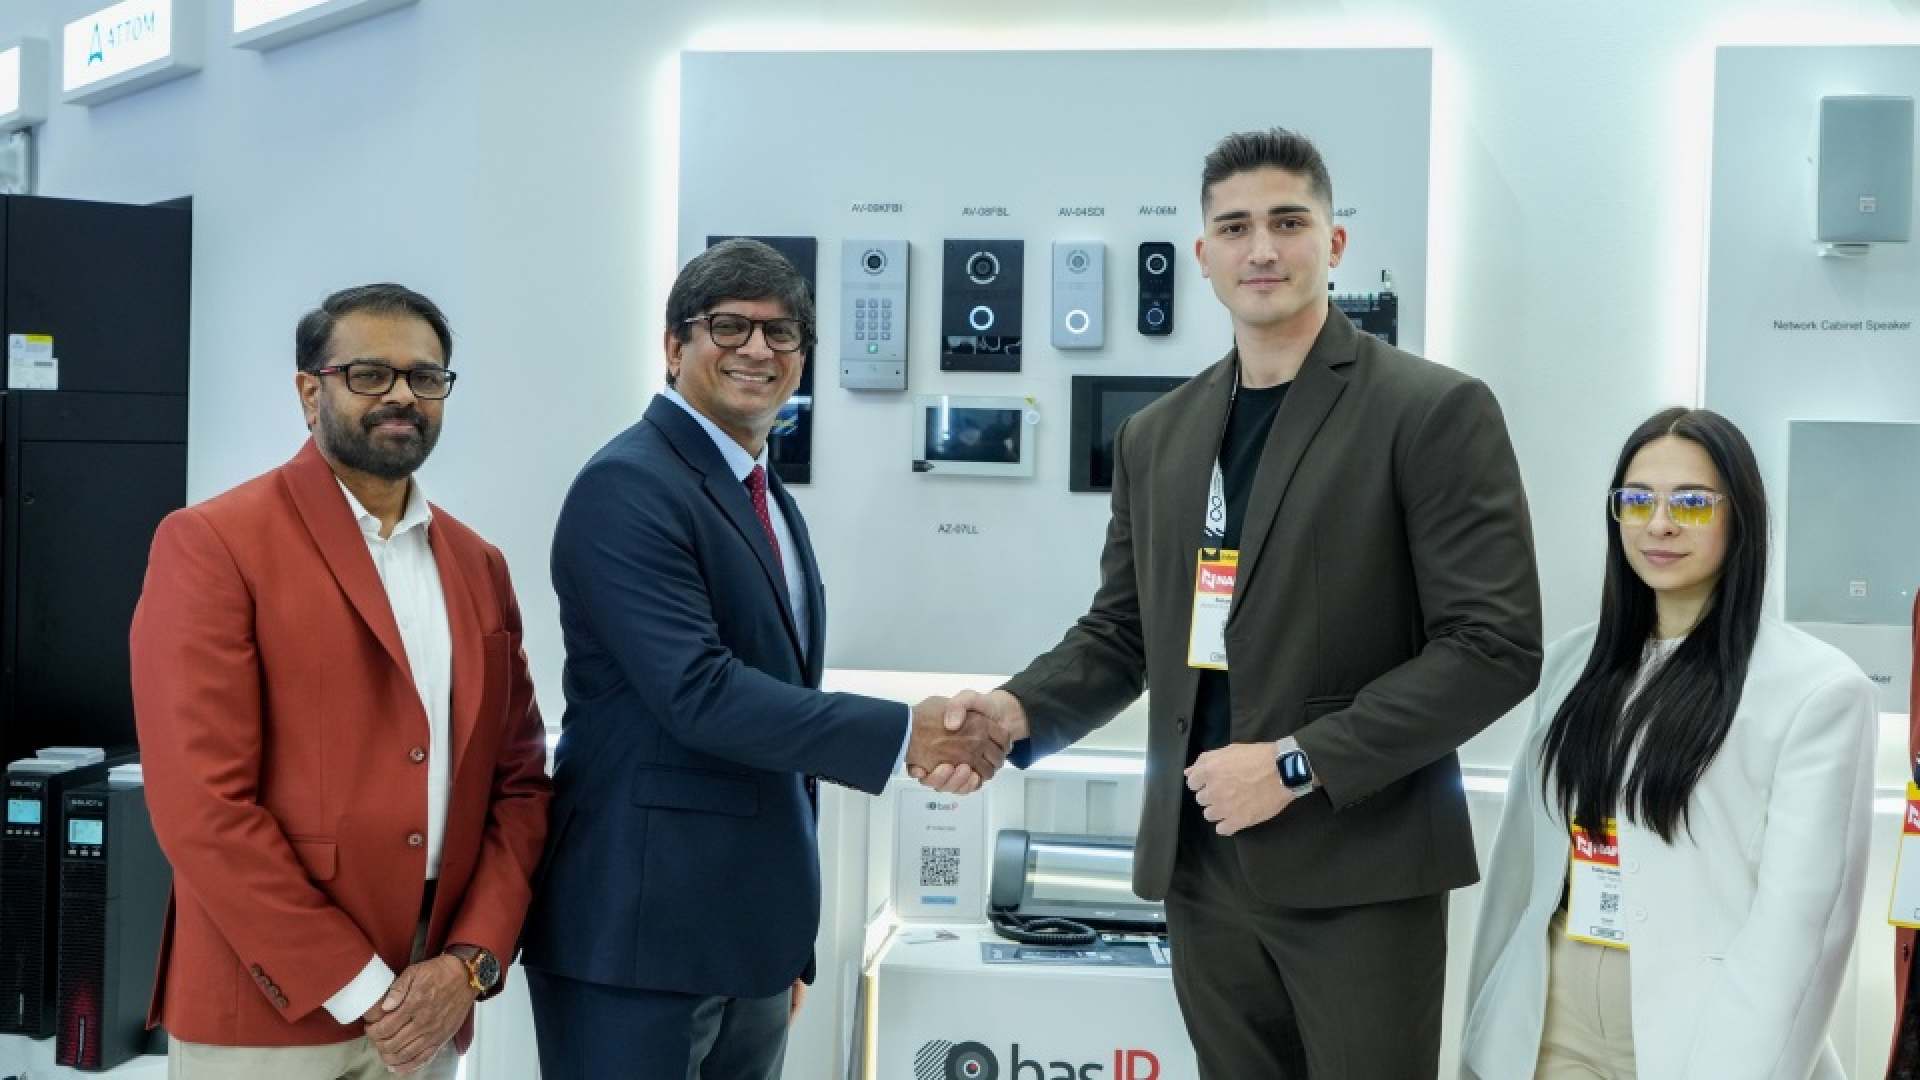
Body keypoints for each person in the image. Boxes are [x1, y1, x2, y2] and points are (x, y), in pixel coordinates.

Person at [930, 128, 1543, 1078]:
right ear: (1204, 256)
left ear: (1333, 245)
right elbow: (1126, 630)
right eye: (1237, 227)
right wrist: (1017, 711)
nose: (1263, 248)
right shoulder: (1157, 436)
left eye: (1289, 222)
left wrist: (1297, 763)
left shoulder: (1430, 411)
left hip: (1357, 869)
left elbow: (1493, 646)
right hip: (1202, 870)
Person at [519, 238, 1009, 1080]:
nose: (759, 350)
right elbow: (699, 693)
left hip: (743, 942)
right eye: (729, 327)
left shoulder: (763, 490)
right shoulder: (628, 485)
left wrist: (780, 942)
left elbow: (775, 710)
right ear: (674, 347)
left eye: (783, 333)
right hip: (638, 944)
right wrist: (904, 736)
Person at [130, 284, 552, 1078]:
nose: (401, 394)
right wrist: (363, 989)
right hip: (266, 1007)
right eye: (369, 374)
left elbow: (521, 786)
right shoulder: (213, 544)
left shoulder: (478, 564)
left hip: (433, 994)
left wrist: (467, 964)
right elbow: (202, 808)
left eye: (425, 378)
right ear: (308, 391)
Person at [1462, 407, 1878, 1079]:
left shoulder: (1817, 690)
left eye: (1691, 502)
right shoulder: (1573, 664)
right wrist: (1483, 1032)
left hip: (1701, 1028)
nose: (1659, 523)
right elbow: (1518, 878)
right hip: (1551, 1017)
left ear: (1739, 514)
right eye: (1638, 500)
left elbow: (1801, 930)